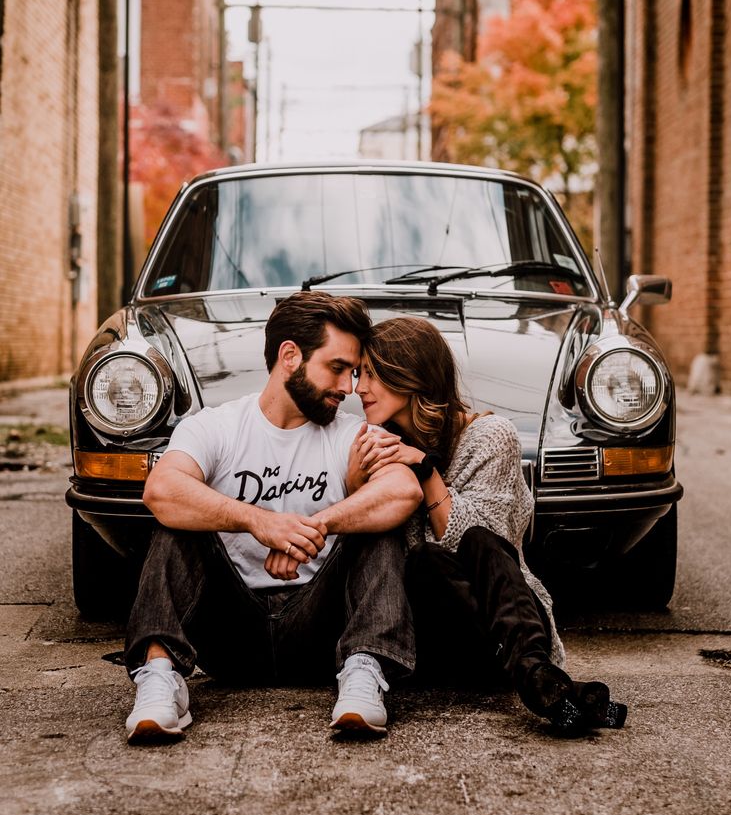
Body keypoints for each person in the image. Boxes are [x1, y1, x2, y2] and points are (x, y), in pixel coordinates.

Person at [123, 291, 422, 744]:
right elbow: (161, 489)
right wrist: (259, 522)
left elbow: (404, 491)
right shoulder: (217, 427)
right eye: (337, 367)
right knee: (178, 517)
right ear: (290, 356)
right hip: (230, 635)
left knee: (377, 521)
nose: (348, 387)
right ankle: (160, 679)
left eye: (354, 372)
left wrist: (316, 526)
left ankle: (364, 672)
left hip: (322, 633)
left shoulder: (350, 434)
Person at [352, 315, 627, 735]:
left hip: (506, 625)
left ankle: (535, 673)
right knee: (425, 560)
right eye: (358, 374)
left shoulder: (490, 436)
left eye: (371, 374)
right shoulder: (377, 448)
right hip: (444, 638)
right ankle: (545, 681)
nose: (359, 388)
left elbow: (486, 549)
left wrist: (426, 473)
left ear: (409, 375)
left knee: (480, 539)